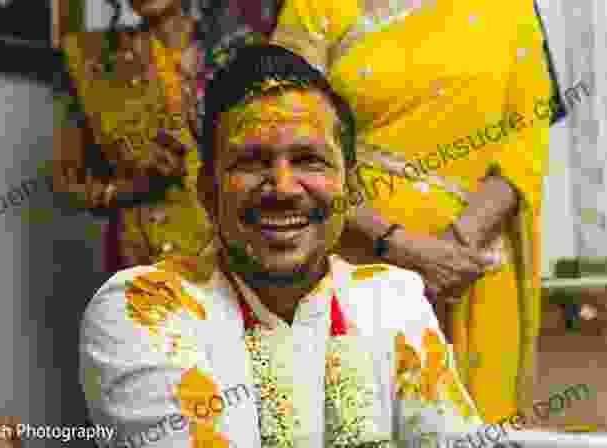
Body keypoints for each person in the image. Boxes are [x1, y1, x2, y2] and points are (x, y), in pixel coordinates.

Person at [79, 45, 485, 448]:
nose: (284, 188)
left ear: (353, 188)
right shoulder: (144, 308)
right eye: (251, 162)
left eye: (309, 159)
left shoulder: (391, 298)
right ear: (206, 190)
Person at [270, 0, 552, 421]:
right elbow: (287, 134)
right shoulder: (318, 8)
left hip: (472, 269)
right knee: (353, 421)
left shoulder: (508, 9)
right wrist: (394, 244)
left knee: (470, 420)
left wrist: (455, 247)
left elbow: (525, 137)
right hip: (353, 259)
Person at [53, 0, 212, 269]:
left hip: (238, 264)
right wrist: (132, 188)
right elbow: (69, 182)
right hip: (144, 261)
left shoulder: (238, 50)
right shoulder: (94, 62)